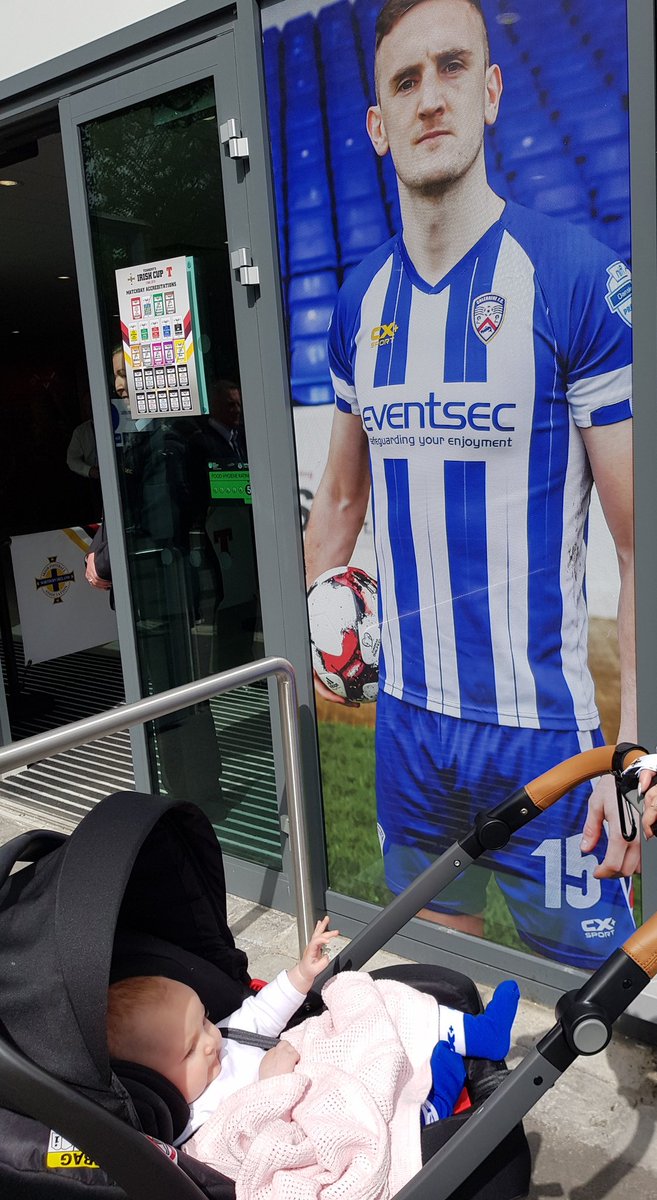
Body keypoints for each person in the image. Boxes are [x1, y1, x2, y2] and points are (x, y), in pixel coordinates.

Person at [304, 0, 636, 969]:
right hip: (409, 734)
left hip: (547, 743)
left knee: (615, 1015)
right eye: (404, 80)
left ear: (491, 93)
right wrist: (326, 618)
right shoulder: (360, 304)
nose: (430, 97)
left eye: (453, 69)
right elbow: (338, 503)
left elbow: (638, 546)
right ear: (377, 124)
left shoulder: (573, 276)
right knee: (435, 995)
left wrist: (634, 760)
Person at [106, 917, 520, 1150]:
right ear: (154, 1082)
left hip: (323, 1055)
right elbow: (254, 1151)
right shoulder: (194, 1125)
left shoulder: (223, 1040)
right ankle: (430, 1108)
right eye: (191, 1049)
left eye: (205, 1020)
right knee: (371, 1109)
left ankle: (477, 1035)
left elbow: (261, 1012)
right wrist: (273, 1085)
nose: (212, 1040)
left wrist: (301, 974)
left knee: (363, 993)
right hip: (317, 1108)